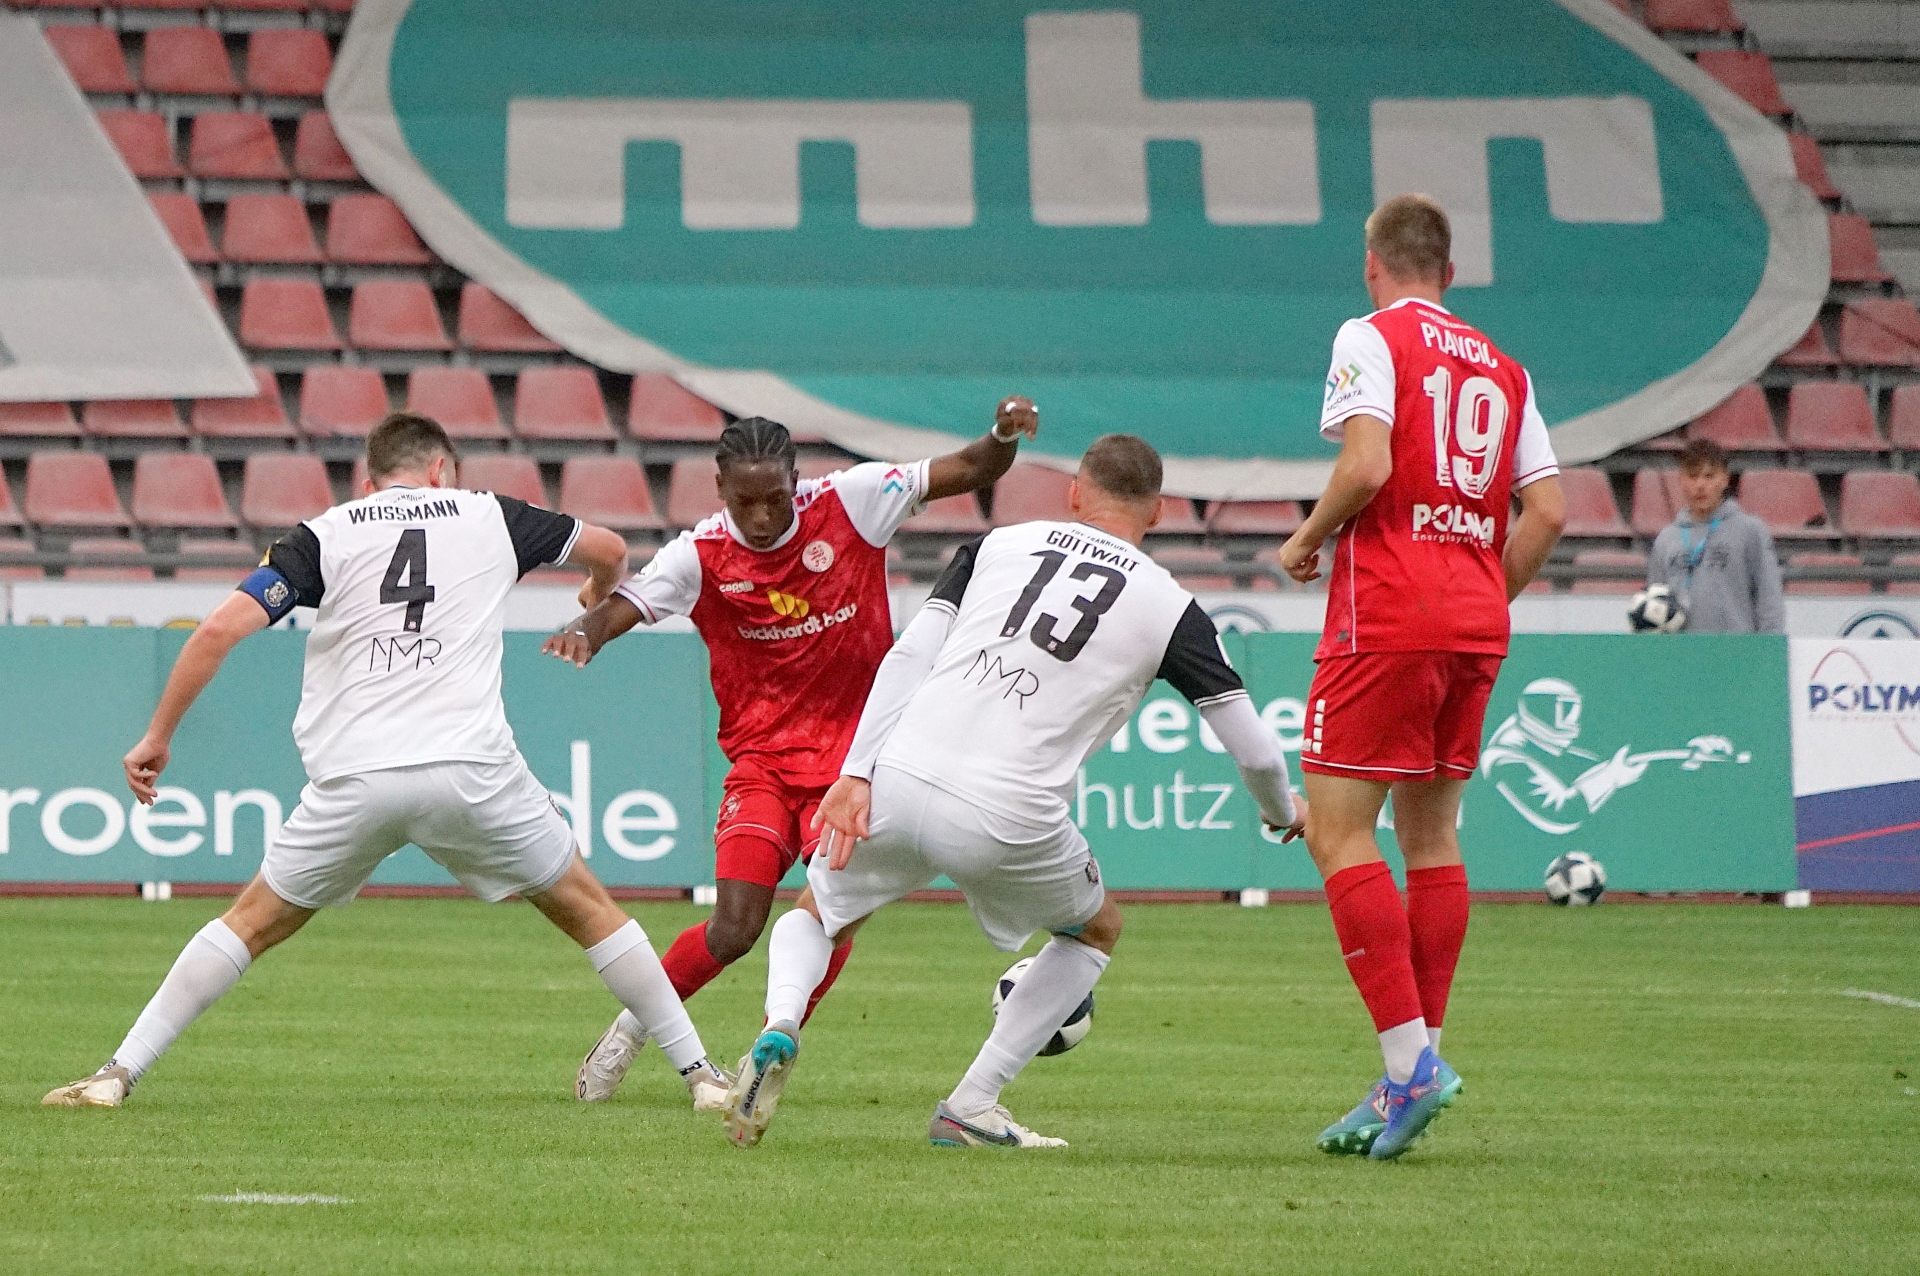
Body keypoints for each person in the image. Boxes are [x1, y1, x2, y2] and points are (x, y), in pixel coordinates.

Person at [43, 414, 726, 1110]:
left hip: (358, 776)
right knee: (588, 908)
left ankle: (117, 1073)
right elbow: (611, 549)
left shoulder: (327, 533)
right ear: (440, 471)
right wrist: (596, 593)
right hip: (472, 769)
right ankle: (700, 1075)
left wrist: (158, 736)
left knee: (248, 923)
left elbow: (218, 629)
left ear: (369, 483)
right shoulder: (491, 515)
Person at [720, 434, 1306, 1151]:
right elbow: (1255, 750)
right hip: (1007, 811)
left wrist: (856, 772)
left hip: (902, 772)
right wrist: (1283, 812)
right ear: (1158, 511)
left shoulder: (997, 544)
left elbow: (910, 654)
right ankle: (972, 1103)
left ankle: (782, 1022)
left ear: (1075, 493)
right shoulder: (1172, 607)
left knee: (818, 911)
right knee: (1094, 929)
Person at [543, 399, 1040, 1105]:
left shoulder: (854, 502)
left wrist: (1002, 435)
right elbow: (624, 605)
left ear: (795, 481)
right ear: (720, 489)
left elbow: (968, 468)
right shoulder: (701, 555)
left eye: (775, 498)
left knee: (833, 914)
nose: (762, 516)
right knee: (734, 927)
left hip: (852, 772)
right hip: (762, 768)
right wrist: (586, 633)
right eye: (744, 501)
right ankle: (631, 1028)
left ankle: (768, 1052)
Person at [1276, 194, 1566, 1160]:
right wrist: (1480, 594)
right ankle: (1413, 1067)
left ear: (1373, 265)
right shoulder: (1507, 368)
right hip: (1475, 623)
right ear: (1451, 272)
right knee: (1432, 835)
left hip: (1388, 613)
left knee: (1337, 830)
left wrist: (1307, 538)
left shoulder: (1370, 336)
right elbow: (1550, 511)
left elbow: (1365, 466)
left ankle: (1410, 1067)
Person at [1647, 438, 1784, 633]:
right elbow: (1655, 603)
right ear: (1681, 479)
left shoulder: (1749, 531)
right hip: (1681, 649)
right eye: (1693, 476)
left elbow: (1769, 597)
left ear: (1725, 479)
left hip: (1734, 646)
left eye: (1709, 476)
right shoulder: (1666, 539)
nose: (1700, 485)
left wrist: (1770, 644)